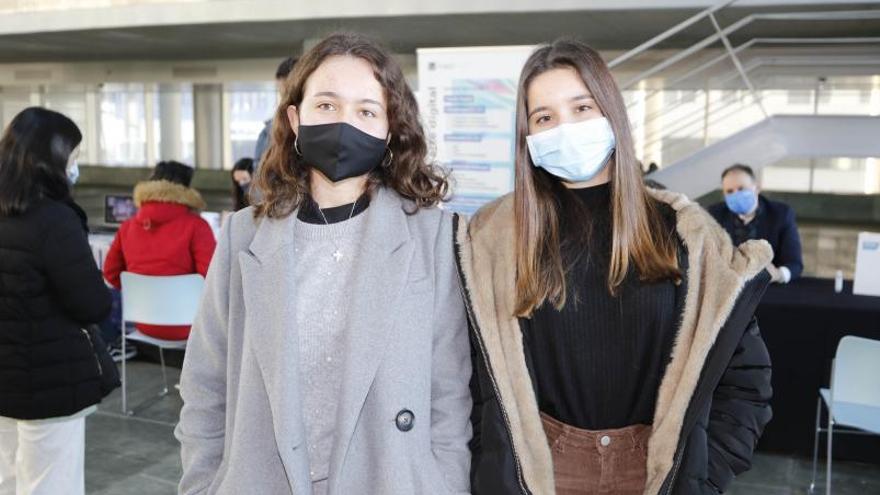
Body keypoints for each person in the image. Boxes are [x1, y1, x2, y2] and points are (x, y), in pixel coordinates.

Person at [455, 39, 774, 494]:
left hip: (656, 474)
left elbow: (745, 382)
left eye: (581, 108)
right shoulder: (492, 237)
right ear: (527, 137)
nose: (564, 127)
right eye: (544, 117)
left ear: (611, 114)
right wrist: (488, 469)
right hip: (539, 473)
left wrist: (704, 475)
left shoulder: (687, 234)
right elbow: (461, 375)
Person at [175, 32, 472, 495]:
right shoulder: (244, 236)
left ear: (390, 127)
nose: (343, 123)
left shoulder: (431, 237)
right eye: (327, 105)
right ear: (295, 118)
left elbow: (450, 395)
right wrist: (202, 485)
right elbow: (204, 385)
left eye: (366, 111)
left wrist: (442, 485)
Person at [0, 107, 114, 495]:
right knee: (50, 484)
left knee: (7, 479)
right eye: (73, 156)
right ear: (50, 159)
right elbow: (92, 305)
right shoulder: (54, 220)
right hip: (48, 382)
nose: (75, 166)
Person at [102, 160, 216, 340]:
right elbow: (212, 280)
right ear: (186, 190)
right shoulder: (197, 226)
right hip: (190, 328)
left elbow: (110, 273)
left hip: (144, 324)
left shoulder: (127, 226)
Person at [708, 163, 803, 284]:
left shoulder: (781, 214)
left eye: (741, 188)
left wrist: (778, 274)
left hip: (768, 290)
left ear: (756, 188)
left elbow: (795, 264)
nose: (736, 195)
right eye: (730, 191)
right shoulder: (714, 215)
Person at [253, 56, 297, 173]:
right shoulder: (270, 130)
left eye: (288, 93)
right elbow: (260, 175)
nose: (285, 100)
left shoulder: (313, 128)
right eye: (282, 93)